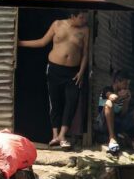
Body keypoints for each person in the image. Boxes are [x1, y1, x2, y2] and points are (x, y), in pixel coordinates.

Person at [18, 10, 89, 149]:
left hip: (73, 72)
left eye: (85, 18)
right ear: (72, 16)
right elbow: (42, 42)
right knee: (55, 102)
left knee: (71, 101)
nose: (84, 21)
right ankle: (55, 136)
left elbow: (85, 53)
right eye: (81, 17)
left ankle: (63, 135)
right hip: (55, 69)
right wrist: (20, 43)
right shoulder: (57, 24)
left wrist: (81, 71)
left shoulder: (85, 30)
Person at [96, 71, 134, 156]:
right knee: (109, 103)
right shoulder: (107, 89)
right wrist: (121, 96)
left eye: (128, 84)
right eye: (125, 83)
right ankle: (112, 138)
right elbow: (112, 98)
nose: (127, 86)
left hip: (118, 123)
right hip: (104, 123)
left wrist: (126, 101)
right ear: (117, 82)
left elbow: (123, 114)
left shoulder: (124, 93)